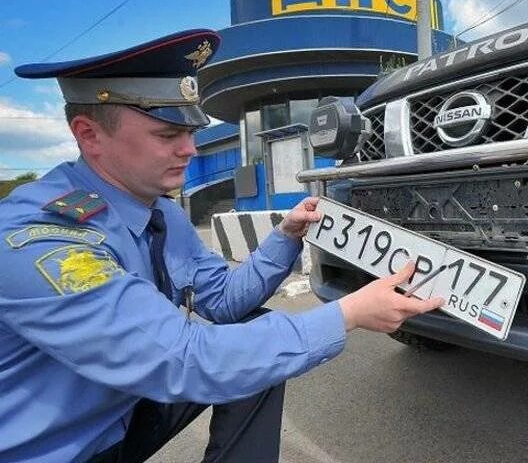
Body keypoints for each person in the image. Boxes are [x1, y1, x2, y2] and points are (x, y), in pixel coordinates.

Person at [0, 28, 444, 463]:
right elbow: (183, 360)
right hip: (58, 448)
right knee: (242, 352)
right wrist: (347, 314)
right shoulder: (40, 238)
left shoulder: (160, 210)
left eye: (191, 133)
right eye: (167, 135)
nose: (190, 150)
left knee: (257, 340)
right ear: (89, 135)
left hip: (122, 414)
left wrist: (286, 235)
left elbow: (224, 301)